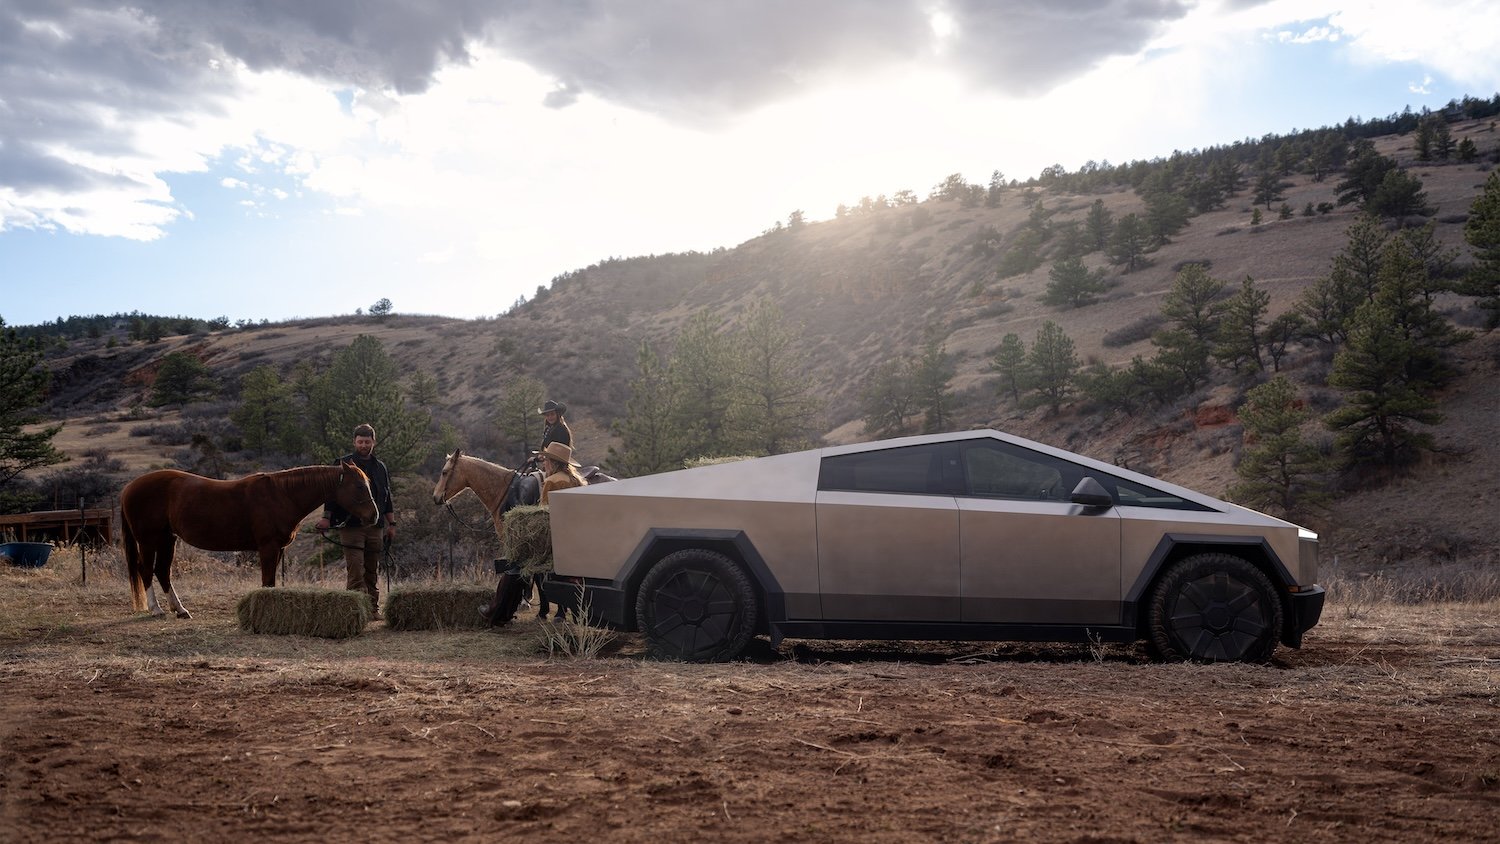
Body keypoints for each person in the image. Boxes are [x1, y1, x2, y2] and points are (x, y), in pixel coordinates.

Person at [315, 423, 396, 620]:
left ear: (373, 442)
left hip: (375, 525)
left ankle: (372, 609)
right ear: (354, 442)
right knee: (355, 569)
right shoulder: (342, 464)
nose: (363, 445)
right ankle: (354, 612)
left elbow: (386, 497)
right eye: (360, 442)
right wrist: (326, 517)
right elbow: (331, 494)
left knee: (372, 569)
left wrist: (391, 524)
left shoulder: (380, 467)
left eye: (367, 442)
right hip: (350, 525)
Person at [537, 440, 587, 620]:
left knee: (555, 572)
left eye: (546, 460)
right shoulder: (576, 480)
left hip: (559, 534)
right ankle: (576, 611)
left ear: (552, 462)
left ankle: (560, 611)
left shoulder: (551, 481)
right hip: (577, 533)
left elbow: (543, 511)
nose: (544, 463)